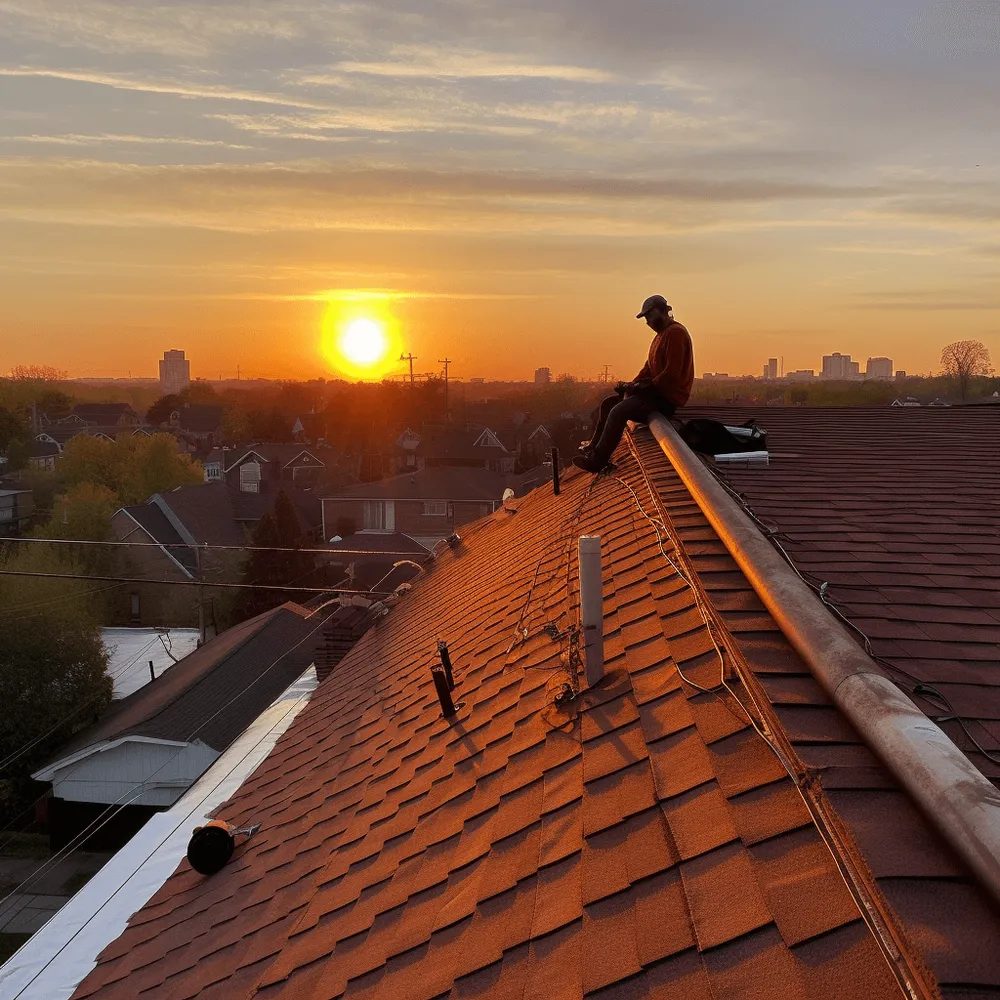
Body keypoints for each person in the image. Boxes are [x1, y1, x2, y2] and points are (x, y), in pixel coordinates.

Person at [573, 294, 694, 473]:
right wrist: (632, 384)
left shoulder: (675, 333)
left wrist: (643, 387)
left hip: (666, 398)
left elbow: (671, 374)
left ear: (662, 311)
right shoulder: (661, 336)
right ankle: (593, 448)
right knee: (608, 404)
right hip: (655, 393)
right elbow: (649, 368)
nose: (648, 322)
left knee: (618, 411)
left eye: (649, 316)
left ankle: (598, 461)